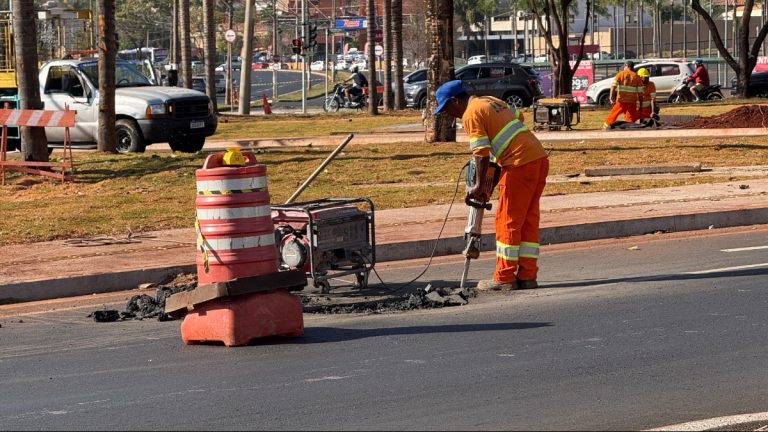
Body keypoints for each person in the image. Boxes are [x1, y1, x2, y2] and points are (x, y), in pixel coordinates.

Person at [433, 80, 549, 291]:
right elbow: (503, 142)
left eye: (447, 108)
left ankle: (504, 277)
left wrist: (478, 185)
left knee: (508, 220)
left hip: (519, 163)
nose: (449, 114)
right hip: (537, 158)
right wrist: (488, 187)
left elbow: (481, 154)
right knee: (528, 220)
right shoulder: (489, 101)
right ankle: (528, 276)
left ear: (455, 101)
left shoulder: (471, 113)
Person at [603, 60, 642, 130]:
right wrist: (640, 104)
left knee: (614, 114)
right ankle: (628, 128)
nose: (624, 68)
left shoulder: (620, 74)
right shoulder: (637, 77)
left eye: (624, 66)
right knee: (629, 118)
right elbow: (640, 93)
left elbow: (613, 87)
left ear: (626, 66)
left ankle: (606, 126)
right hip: (632, 102)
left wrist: (611, 97)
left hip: (621, 101)